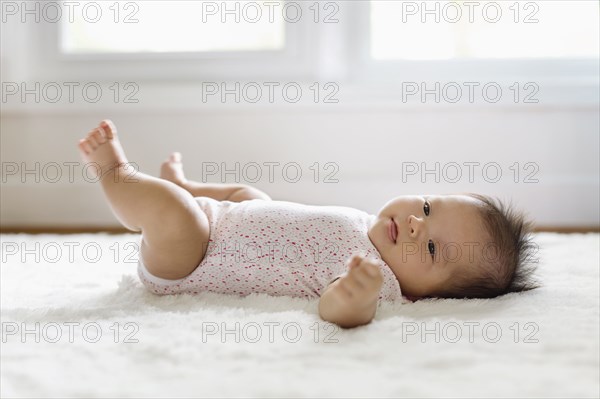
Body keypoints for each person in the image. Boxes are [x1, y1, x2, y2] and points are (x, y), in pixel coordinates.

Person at [77, 120, 539, 329]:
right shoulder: (372, 228)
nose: (416, 223)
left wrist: (354, 297)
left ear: (426, 296)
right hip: (231, 219)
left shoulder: (376, 280)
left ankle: (118, 176)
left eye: (433, 250)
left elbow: (337, 309)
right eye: (428, 206)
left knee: (175, 216)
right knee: (250, 195)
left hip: (193, 260)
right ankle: (187, 187)